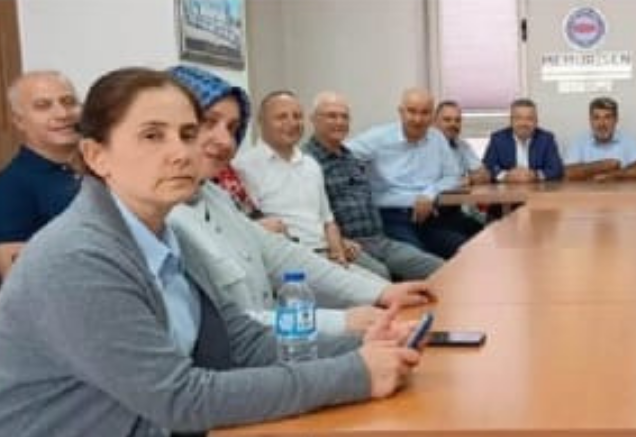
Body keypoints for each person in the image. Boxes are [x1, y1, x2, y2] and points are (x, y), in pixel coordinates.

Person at [0, 67, 423, 436]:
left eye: (187, 134)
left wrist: (362, 347)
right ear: (96, 156)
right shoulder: (76, 259)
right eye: (152, 135)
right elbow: (180, 399)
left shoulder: (168, 234)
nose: (180, 153)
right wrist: (355, 373)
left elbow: (240, 343)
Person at [167, 66, 434, 335]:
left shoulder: (215, 196)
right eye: (207, 122)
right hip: (266, 347)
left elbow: (281, 255)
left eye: (232, 128)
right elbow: (229, 329)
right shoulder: (164, 218)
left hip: (280, 335)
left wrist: (382, 292)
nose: (225, 140)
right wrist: (343, 322)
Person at [233, 91, 390, 278]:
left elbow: (328, 221)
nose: (292, 123)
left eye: (297, 116)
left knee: (382, 277)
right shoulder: (244, 168)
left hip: (326, 254)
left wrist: (338, 255)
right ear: (261, 122)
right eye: (281, 117)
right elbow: (245, 227)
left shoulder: (311, 164)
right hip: (290, 259)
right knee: (381, 289)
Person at [304, 91, 444, 280]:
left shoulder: (350, 156)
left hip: (378, 240)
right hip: (346, 245)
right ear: (313, 119)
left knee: (439, 268)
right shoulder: (306, 162)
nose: (339, 122)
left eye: (344, 117)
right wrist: (338, 242)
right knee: (381, 276)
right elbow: (306, 219)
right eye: (331, 116)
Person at [346, 88, 477, 259]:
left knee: (467, 251)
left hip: (430, 216)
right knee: (419, 261)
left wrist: (429, 193)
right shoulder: (379, 137)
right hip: (391, 217)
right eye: (412, 111)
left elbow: (452, 176)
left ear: (432, 116)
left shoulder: (437, 138)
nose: (418, 119)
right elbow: (341, 152)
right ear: (401, 112)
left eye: (424, 113)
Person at [0, 71, 81, 279]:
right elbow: (18, 278)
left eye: (69, 102)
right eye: (43, 106)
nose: (62, 113)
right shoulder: (11, 187)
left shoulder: (101, 166)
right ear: (19, 121)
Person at [563, 97, 636, 181]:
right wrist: (604, 165)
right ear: (590, 120)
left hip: (621, 190)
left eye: (607, 117)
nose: (602, 124)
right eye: (596, 118)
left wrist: (612, 175)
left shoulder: (628, 140)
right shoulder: (579, 141)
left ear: (616, 120)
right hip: (588, 191)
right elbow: (568, 172)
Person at [482, 98, 564, 182]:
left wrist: (535, 175)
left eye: (529, 118)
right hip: (505, 188)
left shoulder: (546, 139)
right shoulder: (498, 138)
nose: (523, 123)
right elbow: (488, 167)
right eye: (518, 118)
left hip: (538, 188)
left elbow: (556, 169)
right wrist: (506, 176)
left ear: (536, 121)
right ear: (511, 121)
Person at [434, 100, 491, 185]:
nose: (453, 124)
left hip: (460, 193)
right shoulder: (424, 145)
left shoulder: (462, 146)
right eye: (447, 120)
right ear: (434, 122)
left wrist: (469, 179)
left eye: (457, 120)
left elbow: (485, 175)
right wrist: (457, 181)